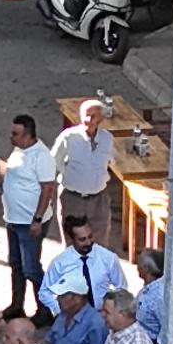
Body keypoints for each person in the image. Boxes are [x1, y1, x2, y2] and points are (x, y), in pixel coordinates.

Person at [0, 112, 54, 309]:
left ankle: (45, 308)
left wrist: (37, 219)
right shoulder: (19, 150)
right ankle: (16, 304)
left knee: (31, 268)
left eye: (15, 133)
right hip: (13, 219)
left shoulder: (41, 156)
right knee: (16, 264)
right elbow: (13, 177)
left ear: (28, 135)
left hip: (29, 223)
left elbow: (47, 189)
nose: (11, 137)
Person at [54, 99, 115, 241]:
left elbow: (110, 160)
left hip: (99, 199)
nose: (88, 119)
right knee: (72, 244)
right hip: (73, 198)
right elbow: (55, 162)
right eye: (86, 115)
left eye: (93, 116)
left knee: (99, 245)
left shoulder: (107, 139)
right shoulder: (69, 137)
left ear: (101, 118)